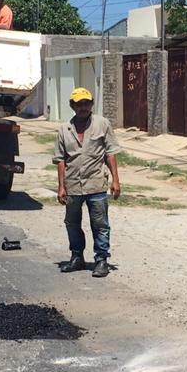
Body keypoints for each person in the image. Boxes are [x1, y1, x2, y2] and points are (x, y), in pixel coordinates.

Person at [54, 88, 121, 278]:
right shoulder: (64, 129)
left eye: (86, 103)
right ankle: (77, 257)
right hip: (73, 184)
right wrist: (61, 186)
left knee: (100, 223)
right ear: (72, 106)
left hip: (96, 183)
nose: (83, 107)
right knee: (72, 223)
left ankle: (101, 260)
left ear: (92, 104)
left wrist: (115, 180)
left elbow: (110, 153)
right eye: (79, 104)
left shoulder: (102, 124)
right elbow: (60, 159)